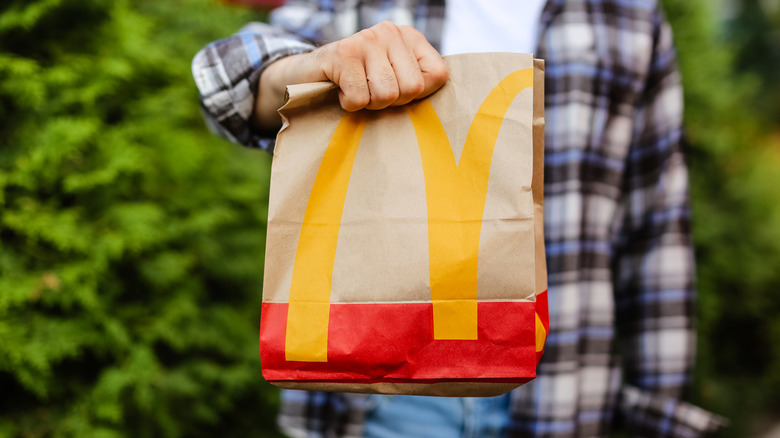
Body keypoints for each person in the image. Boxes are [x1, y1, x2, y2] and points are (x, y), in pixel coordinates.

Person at [192, 1, 727, 436]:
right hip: (378, 394)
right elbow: (227, 73)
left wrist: (660, 412)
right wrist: (306, 68)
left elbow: (655, 230)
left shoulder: (630, 16)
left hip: (566, 392)